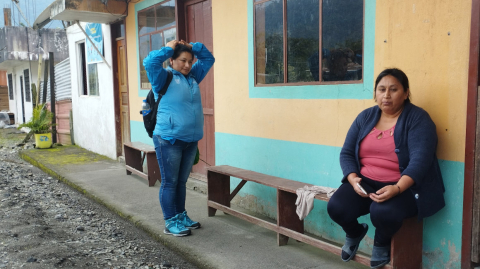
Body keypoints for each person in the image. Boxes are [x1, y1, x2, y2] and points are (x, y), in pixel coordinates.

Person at [327, 68, 445, 268]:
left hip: (404, 187)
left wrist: (397, 188)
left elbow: (420, 161)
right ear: (375, 93)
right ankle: (354, 233)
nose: (386, 95)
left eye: (394, 89)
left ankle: (381, 242)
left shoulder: (418, 119)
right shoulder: (365, 117)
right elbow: (346, 152)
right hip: (366, 182)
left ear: (406, 93)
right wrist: (353, 178)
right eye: (381, 89)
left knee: (382, 213)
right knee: (336, 207)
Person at [143, 40, 215, 237]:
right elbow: (149, 62)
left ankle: (181, 215)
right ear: (172, 60)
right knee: (169, 182)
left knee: (181, 182)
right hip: (168, 139)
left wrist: (193, 47)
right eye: (183, 60)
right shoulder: (162, 78)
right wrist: (168, 47)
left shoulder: (192, 77)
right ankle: (170, 221)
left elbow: (209, 59)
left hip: (190, 140)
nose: (187, 65)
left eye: (190, 61)